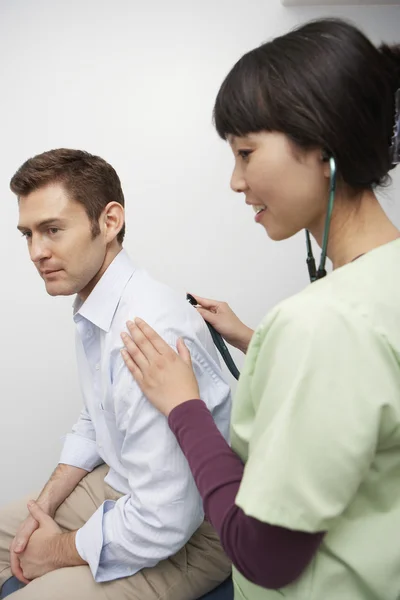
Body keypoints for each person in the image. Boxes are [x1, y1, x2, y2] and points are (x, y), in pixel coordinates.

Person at [119, 18, 400, 600]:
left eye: (246, 152)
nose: (235, 180)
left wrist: (184, 406)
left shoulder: (322, 324)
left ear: (323, 144)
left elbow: (263, 554)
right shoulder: (371, 289)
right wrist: (254, 338)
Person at [0, 149, 232, 600]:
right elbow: (95, 417)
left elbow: (164, 518)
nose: (36, 252)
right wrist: (43, 505)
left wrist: (54, 552)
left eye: (51, 230)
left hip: (192, 530)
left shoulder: (146, 330)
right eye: (27, 234)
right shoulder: (95, 306)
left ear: (109, 222)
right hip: (125, 487)